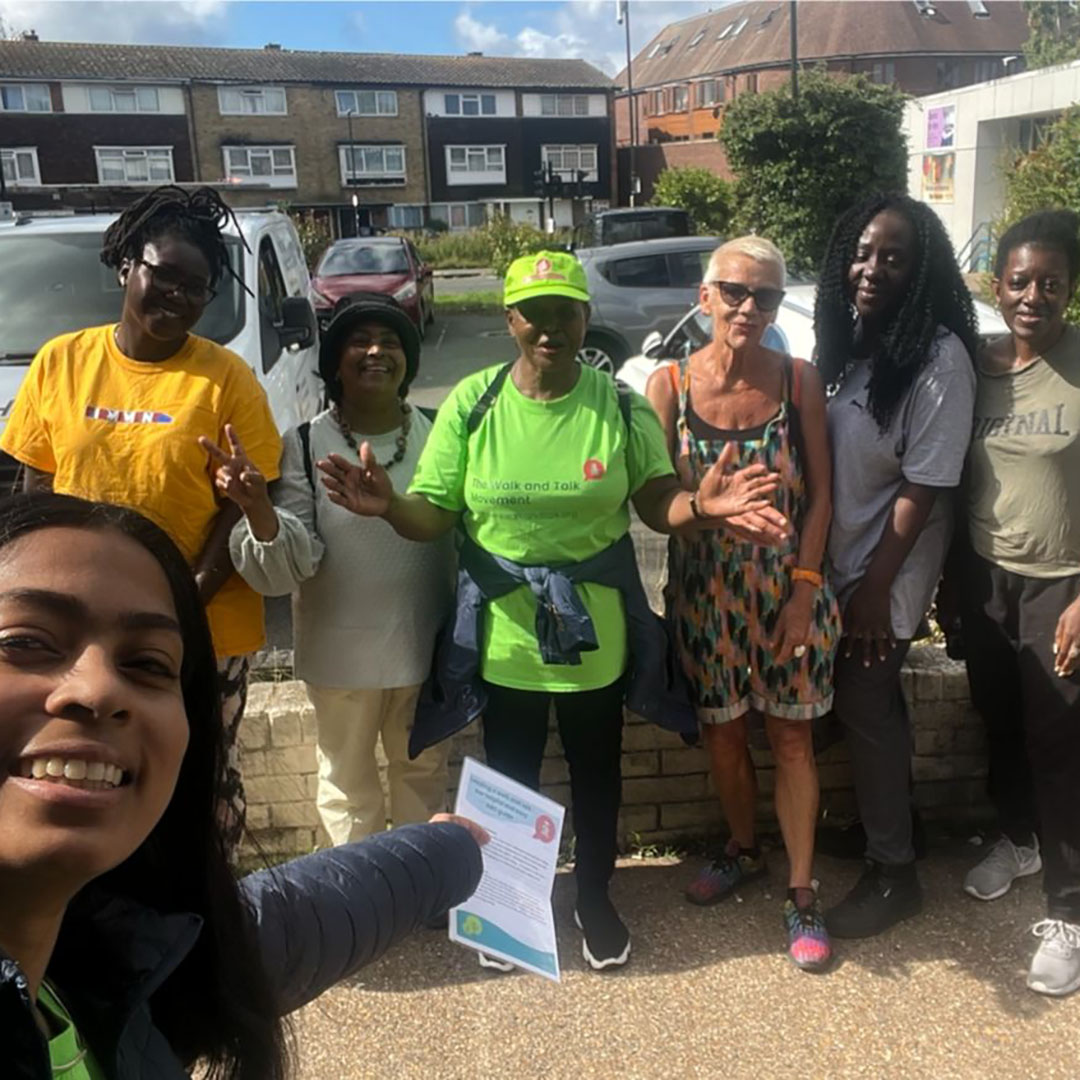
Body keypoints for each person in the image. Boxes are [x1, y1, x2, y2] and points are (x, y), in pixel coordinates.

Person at [315, 250, 788, 971]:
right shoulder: (476, 403)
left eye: (564, 312)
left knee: (598, 775)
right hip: (503, 637)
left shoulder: (619, 404)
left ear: (584, 318)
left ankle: (594, 898)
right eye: (533, 313)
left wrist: (700, 507)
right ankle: (510, 905)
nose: (549, 328)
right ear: (509, 319)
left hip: (595, 638)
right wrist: (389, 508)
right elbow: (434, 514)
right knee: (510, 781)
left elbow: (656, 501)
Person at [0, 492, 484, 1080]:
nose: (99, 689)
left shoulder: (91, 961)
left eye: (149, 663)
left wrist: (441, 854)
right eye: (23, 642)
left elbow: (275, 928)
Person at [0, 186, 283, 847]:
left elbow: (237, 512)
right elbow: (34, 488)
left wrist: (180, 606)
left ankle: (205, 922)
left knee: (200, 781)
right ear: (128, 263)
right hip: (77, 632)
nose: (178, 297)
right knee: (85, 773)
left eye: (197, 287)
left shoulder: (226, 379)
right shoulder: (62, 361)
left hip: (203, 627)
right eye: (164, 275)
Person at [646, 236, 840, 972]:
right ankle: (742, 849)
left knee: (790, 740)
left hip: (790, 595)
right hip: (704, 598)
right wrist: (706, 508)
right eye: (734, 291)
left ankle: (801, 889)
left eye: (765, 295)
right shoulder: (668, 385)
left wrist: (804, 589)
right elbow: (654, 500)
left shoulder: (798, 380)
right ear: (706, 297)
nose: (748, 307)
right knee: (724, 737)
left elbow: (822, 495)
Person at [203, 295, 454, 843]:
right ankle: (365, 906)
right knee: (348, 782)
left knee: (425, 771)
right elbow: (288, 566)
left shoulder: (441, 434)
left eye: (390, 342)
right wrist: (258, 511)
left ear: (408, 359)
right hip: (342, 657)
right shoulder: (304, 443)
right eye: (359, 342)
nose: (375, 352)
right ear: (335, 363)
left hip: (426, 644)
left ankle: (421, 884)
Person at [815, 192, 978, 939]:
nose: (871, 269)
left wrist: (877, 590)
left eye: (893, 257)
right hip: (843, 567)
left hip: (886, 575)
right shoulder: (854, 344)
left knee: (867, 708)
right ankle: (893, 827)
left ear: (921, 271)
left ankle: (894, 875)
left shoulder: (937, 356)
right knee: (867, 714)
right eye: (863, 252)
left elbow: (925, 482)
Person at [959, 209, 1080, 997]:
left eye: (1050, 282)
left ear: (1069, 289)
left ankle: (1068, 913)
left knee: (1060, 742)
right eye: (1019, 280)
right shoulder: (977, 362)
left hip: (1062, 582)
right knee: (999, 718)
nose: (1032, 294)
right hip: (983, 575)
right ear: (995, 284)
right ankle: (1017, 839)